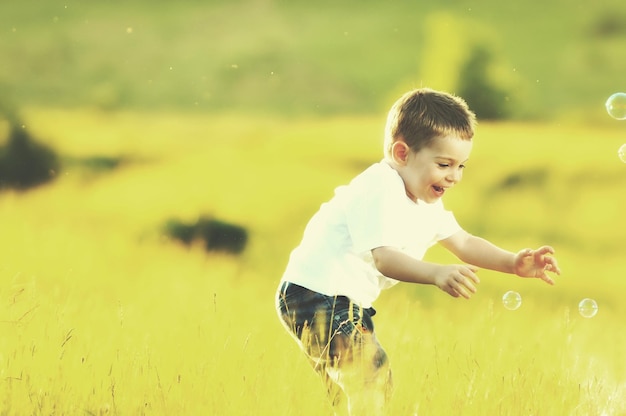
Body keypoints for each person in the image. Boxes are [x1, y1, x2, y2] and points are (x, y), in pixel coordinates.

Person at [275, 88, 561, 415]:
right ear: (402, 153)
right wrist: (437, 273)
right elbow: (385, 258)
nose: (453, 176)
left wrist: (513, 263)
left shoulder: (426, 203)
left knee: (355, 388)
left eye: (461, 166)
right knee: (371, 374)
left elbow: (464, 242)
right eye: (444, 164)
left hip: (337, 302)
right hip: (315, 295)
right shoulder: (380, 187)